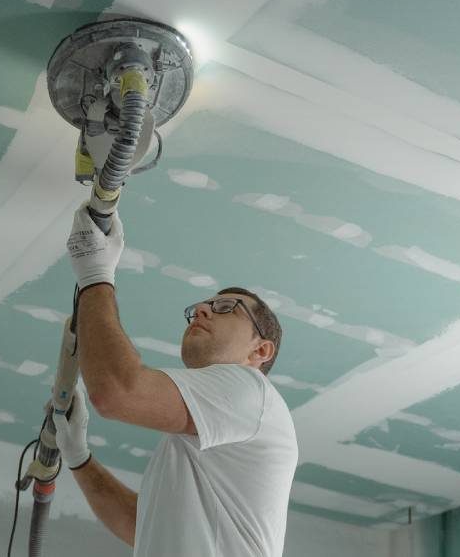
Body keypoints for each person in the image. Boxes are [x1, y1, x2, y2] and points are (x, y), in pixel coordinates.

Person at [55, 202, 299, 556]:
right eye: (201, 307)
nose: (201, 309)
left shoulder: (251, 391)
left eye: (227, 308)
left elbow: (118, 393)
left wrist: (95, 275)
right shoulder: (195, 444)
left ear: (260, 351)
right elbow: (140, 526)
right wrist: (78, 457)